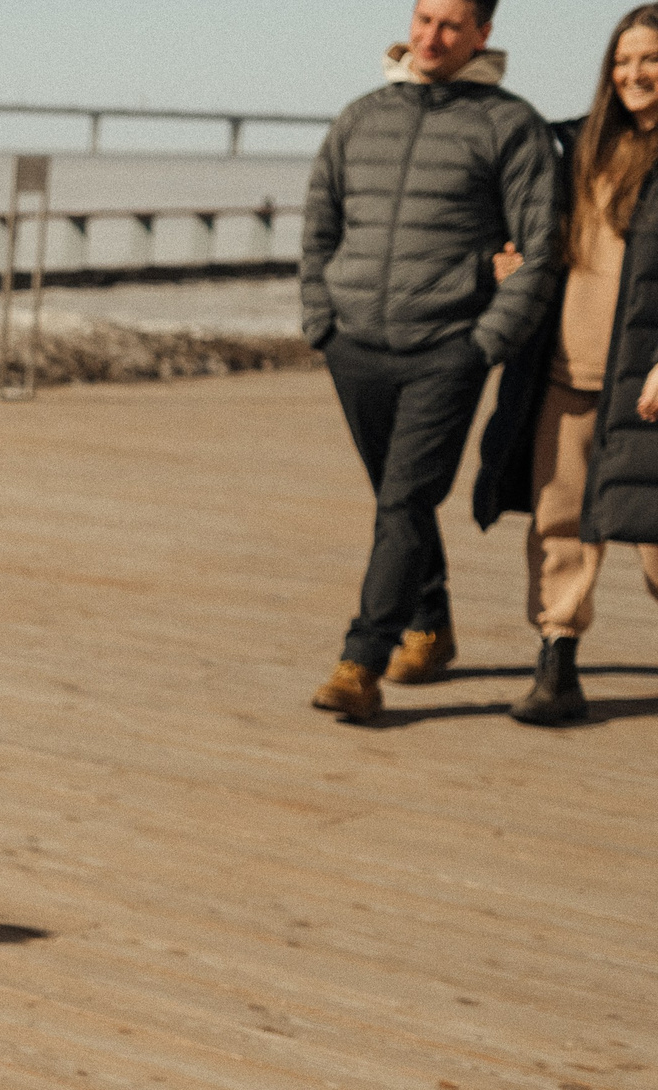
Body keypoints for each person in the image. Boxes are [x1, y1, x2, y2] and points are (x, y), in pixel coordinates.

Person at [301, 0, 562, 724]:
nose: (430, 36)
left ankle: (361, 661)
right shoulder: (361, 117)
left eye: (450, 24)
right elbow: (319, 221)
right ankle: (431, 623)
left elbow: (541, 245)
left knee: (405, 500)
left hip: (447, 346)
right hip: (354, 344)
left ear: (483, 33)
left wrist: (485, 342)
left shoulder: (511, 125)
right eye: (422, 18)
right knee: (397, 495)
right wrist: (321, 321)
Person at [476, 6, 658, 725]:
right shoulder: (576, 148)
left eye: (651, 60)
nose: (634, 74)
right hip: (566, 370)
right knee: (559, 522)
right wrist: (512, 262)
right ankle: (557, 663)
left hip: (645, 381)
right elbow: (533, 230)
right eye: (623, 60)